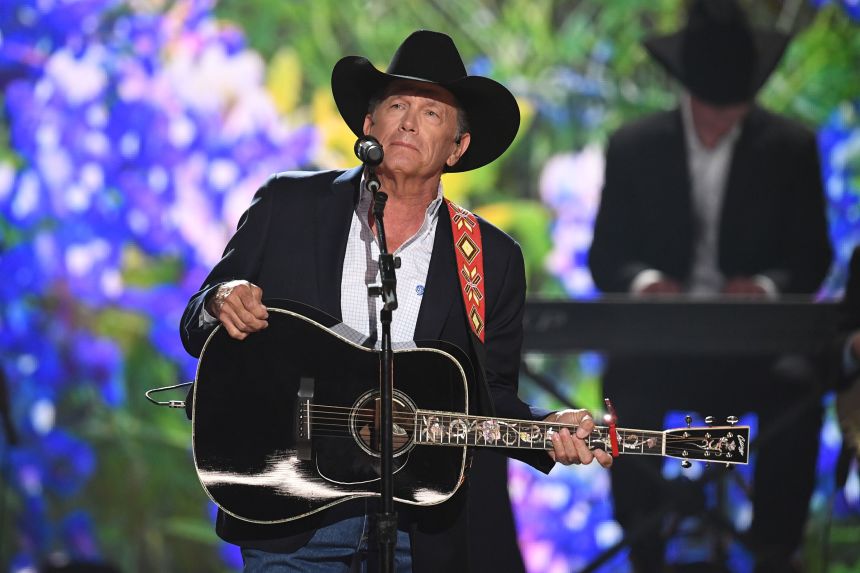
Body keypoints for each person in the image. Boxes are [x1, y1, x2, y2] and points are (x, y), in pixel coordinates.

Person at [180, 30, 613, 573]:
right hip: (290, 512)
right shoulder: (289, 204)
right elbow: (197, 323)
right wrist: (220, 300)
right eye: (397, 105)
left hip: (418, 528)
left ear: (458, 147)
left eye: (433, 113)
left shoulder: (492, 259)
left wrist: (547, 434)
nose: (409, 122)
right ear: (369, 124)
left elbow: (486, 399)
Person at [588, 1, 832, 572]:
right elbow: (607, 257)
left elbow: (813, 255)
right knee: (625, 388)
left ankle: (774, 548)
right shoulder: (633, 147)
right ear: (688, 89)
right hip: (661, 351)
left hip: (758, 355)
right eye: (713, 105)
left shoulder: (791, 148)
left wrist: (768, 288)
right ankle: (644, 546)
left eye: (735, 105)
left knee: (800, 391)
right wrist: (646, 284)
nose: (723, 118)